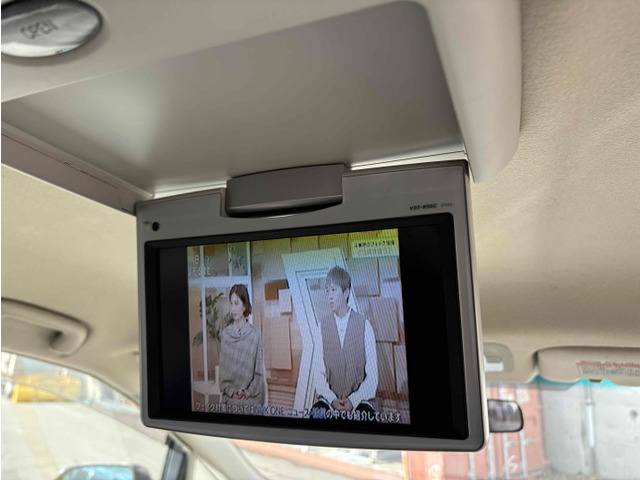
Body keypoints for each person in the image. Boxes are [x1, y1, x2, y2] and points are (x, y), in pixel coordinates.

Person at [311, 266, 378, 418]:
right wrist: (333, 400)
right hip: (330, 401)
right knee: (316, 415)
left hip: (360, 401)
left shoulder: (365, 326)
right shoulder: (322, 327)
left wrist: (353, 401)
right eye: (327, 291)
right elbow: (319, 375)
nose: (329, 296)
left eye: (333, 290)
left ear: (346, 292)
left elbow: (372, 378)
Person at [219, 284, 266, 405]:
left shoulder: (255, 335)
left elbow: (259, 374)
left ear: (244, 306)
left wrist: (246, 392)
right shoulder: (225, 334)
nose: (233, 309)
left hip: (251, 397)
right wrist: (232, 392)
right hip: (230, 398)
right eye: (231, 304)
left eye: (236, 303)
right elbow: (223, 375)